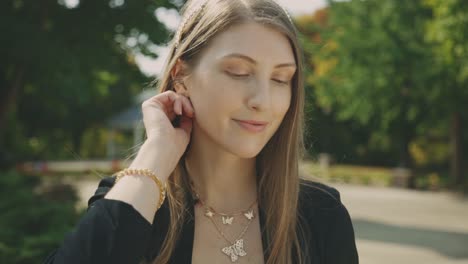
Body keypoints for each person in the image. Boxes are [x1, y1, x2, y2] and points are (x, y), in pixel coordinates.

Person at [44, 0, 359, 263]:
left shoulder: (321, 216)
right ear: (181, 76)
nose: (262, 101)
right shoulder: (134, 204)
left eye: (280, 79)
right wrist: (156, 153)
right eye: (239, 72)